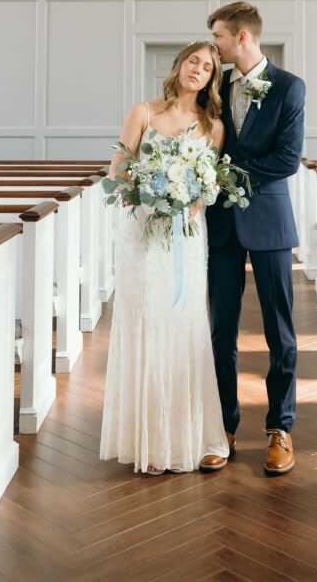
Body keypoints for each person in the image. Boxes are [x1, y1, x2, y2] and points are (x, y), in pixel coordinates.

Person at [99, 41, 230, 475]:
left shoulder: (212, 126)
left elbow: (209, 187)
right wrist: (149, 189)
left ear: (212, 79)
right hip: (142, 234)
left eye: (208, 67)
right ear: (179, 65)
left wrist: (193, 198)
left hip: (186, 239)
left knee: (186, 322)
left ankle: (193, 437)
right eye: (194, 61)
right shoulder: (143, 112)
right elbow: (117, 171)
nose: (199, 70)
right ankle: (147, 441)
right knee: (144, 322)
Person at [203, 1, 305, 475]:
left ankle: (280, 428)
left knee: (278, 331)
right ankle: (224, 426)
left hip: (268, 220)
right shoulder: (215, 86)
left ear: (242, 36)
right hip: (222, 224)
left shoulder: (289, 87)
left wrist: (227, 176)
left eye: (220, 37)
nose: (215, 45)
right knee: (222, 329)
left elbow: (287, 159)